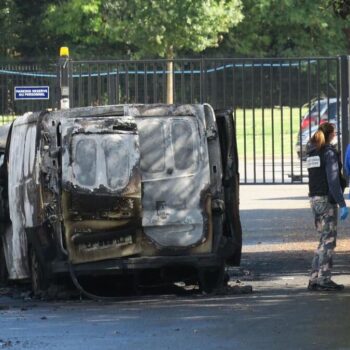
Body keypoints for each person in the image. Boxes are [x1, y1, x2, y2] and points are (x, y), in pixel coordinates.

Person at [306, 122, 348, 291]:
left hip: (315, 200)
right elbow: (333, 180)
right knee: (328, 242)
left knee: (322, 241)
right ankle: (324, 279)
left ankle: (314, 278)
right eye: (335, 133)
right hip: (326, 201)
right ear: (330, 134)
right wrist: (342, 203)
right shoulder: (329, 153)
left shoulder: (312, 153)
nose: (336, 135)